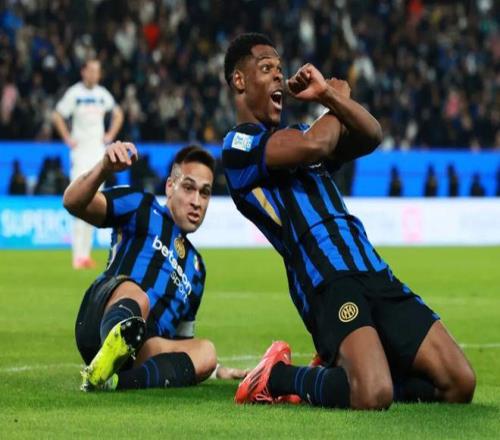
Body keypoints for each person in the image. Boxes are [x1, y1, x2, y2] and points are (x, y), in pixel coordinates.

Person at [221, 33, 475, 409]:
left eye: (280, 68)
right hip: (325, 278)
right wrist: (336, 95)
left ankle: (352, 372)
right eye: (266, 67)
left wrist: (329, 95)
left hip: (373, 269)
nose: (278, 75)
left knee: (459, 383)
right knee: (372, 395)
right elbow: (316, 145)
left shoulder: (301, 135)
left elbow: (371, 135)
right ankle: (276, 377)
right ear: (240, 80)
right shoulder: (238, 146)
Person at [63, 141, 246, 391]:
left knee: (207, 352)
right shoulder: (142, 206)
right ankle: (112, 347)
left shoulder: (198, 269)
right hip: (100, 318)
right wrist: (103, 168)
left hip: (144, 346)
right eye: (189, 188)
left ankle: (115, 382)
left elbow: (182, 342)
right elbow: (73, 202)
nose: (197, 201)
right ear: (170, 186)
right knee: (140, 299)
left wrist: (215, 370)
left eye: (204, 193)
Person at [53, 59, 124, 269]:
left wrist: (110, 135)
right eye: (91, 70)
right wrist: (67, 138)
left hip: (98, 157)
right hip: (81, 154)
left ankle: (85, 255)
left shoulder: (102, 95)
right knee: (78, 201)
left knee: (94, 203)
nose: (94, 74)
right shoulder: (75, 93)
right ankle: (78, 255)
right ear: (83, 72)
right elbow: (57, 115)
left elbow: (118, 113)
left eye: (97, 71)